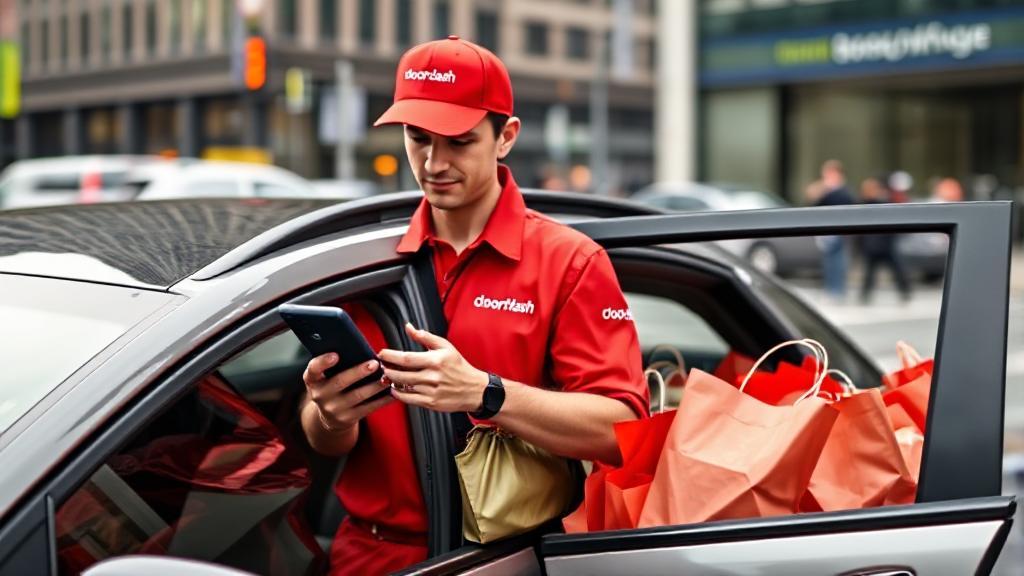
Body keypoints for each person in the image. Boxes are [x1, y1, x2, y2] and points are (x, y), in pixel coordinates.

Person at [299, 36, 648, 576]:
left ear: (505, 137)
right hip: (366, 555)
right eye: (418, 138)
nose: (434, 163)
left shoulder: (569, 261)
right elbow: (324, 438)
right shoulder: (363, 260)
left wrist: (485, 393)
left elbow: (623, 430)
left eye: (459, 141)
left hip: (501, 560)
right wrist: (329, 414)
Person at [857, 177, 911, 304]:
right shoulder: (867, 203)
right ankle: (865, 296)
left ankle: (904, 292)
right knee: (871, 273)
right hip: (876, 245)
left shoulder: (882, 201)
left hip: (883, 244)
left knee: (896, 270)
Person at [813, 160, 855, 301]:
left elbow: (847, 206)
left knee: (838, 262)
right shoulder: (825, 190)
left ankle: (837, 291)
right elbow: (815, 204)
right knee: (829, 263)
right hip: (826, 231)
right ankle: (830, 289)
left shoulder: (843, 190)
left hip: (840, 231)